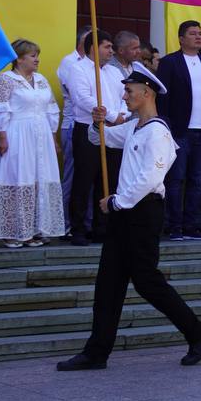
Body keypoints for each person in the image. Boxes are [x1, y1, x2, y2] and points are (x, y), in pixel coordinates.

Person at [57, 63, 201, 371]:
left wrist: (117, 201)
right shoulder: (134, 126)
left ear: (146, 93)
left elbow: (149, 177)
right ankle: (96, 352)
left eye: (129, 91)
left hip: (142, 212)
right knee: (108, 284)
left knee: (147, 281)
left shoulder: (159, 132)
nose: (124, 96)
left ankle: (198, 332)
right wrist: (96, 123)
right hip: (124, 213)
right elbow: (99, 140)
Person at [0, 40, 64, 247]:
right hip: (17, 135)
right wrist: (1, 137)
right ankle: (11, 231)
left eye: (37, 55)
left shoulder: (41, 80)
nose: (37, 59)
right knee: (16, 177)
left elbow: (51, 109)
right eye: (33, 55)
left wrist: (53, 138)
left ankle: (33, 229)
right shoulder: (6, 80)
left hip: (41, 136)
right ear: (18, 58)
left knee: (38, 179)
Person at [155, 20, 201, 242]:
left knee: (197, 180)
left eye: (200, 33)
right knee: (176, 179)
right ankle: (174, 227)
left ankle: (192, 226)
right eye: (193, 34)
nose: (198, 37)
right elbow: (163, 98)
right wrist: (166, 128)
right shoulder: (169, 62)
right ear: (181, 38)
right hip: (179, 130)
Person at [68, 31, 127, 246]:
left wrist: (122, 116)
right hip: (88, 129)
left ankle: (102, 227)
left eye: (111, 47)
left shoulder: (112, 71)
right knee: (84, 180)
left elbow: (124, 96)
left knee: (108, 180)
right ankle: (78, 229)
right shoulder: (78, 69)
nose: (111, 51)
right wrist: (112, 116)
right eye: (107, 47)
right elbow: (83, 98)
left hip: (113, 131)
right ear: (94, 47)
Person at [56, 25, 92, 227]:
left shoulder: (96, 65)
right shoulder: (70, 62)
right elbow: (78, 94)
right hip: (73, 125)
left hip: (92, 127)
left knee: (87, 177)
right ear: (82, 41)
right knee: (72, 175)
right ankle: (64, 222)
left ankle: (85, 221)